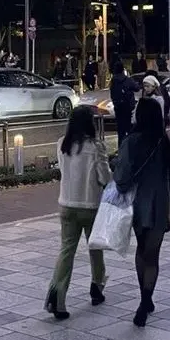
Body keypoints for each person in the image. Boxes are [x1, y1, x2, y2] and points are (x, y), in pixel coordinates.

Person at [114, 98, 170, 327]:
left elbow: (121, 178)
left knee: (141, 251)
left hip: (138, 205)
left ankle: (144, 297)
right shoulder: (163, 142)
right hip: (159, 205)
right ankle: (146, 299)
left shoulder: (130, 142)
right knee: (153, 255)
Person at [44, 106, 111, 320]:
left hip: (67, 204)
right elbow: (105, 178)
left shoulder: (62, 145)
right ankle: (97, 285)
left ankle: (57, 296)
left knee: (66, 251)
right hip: (90, 206)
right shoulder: (96, 147)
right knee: (95, 247)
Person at [110, 61, 139, 145]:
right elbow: (136, 88)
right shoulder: (127, 79)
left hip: (118, 108)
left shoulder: (113, 81)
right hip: (128, 108)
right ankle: (129, 149)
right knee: (129, 130)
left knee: (120, 131)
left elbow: (112, 93)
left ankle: (121, 149)